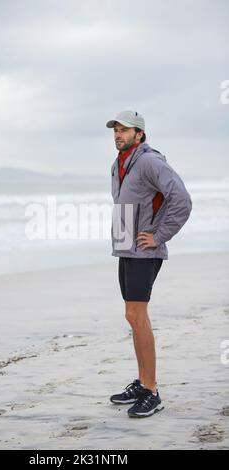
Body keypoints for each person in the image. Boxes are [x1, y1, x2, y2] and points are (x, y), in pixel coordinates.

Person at [107, 110, 192, 418]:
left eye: (124, 130)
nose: (118, 134)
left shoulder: (149, 161)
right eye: (115, 129)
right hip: (126, 250)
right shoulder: (119, 164)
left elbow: (181, 199)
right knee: (132, 316)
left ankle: (153, 391)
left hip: (144, 252)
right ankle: (143, 383)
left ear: (139, 134)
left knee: (137, 315)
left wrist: (158, 235)